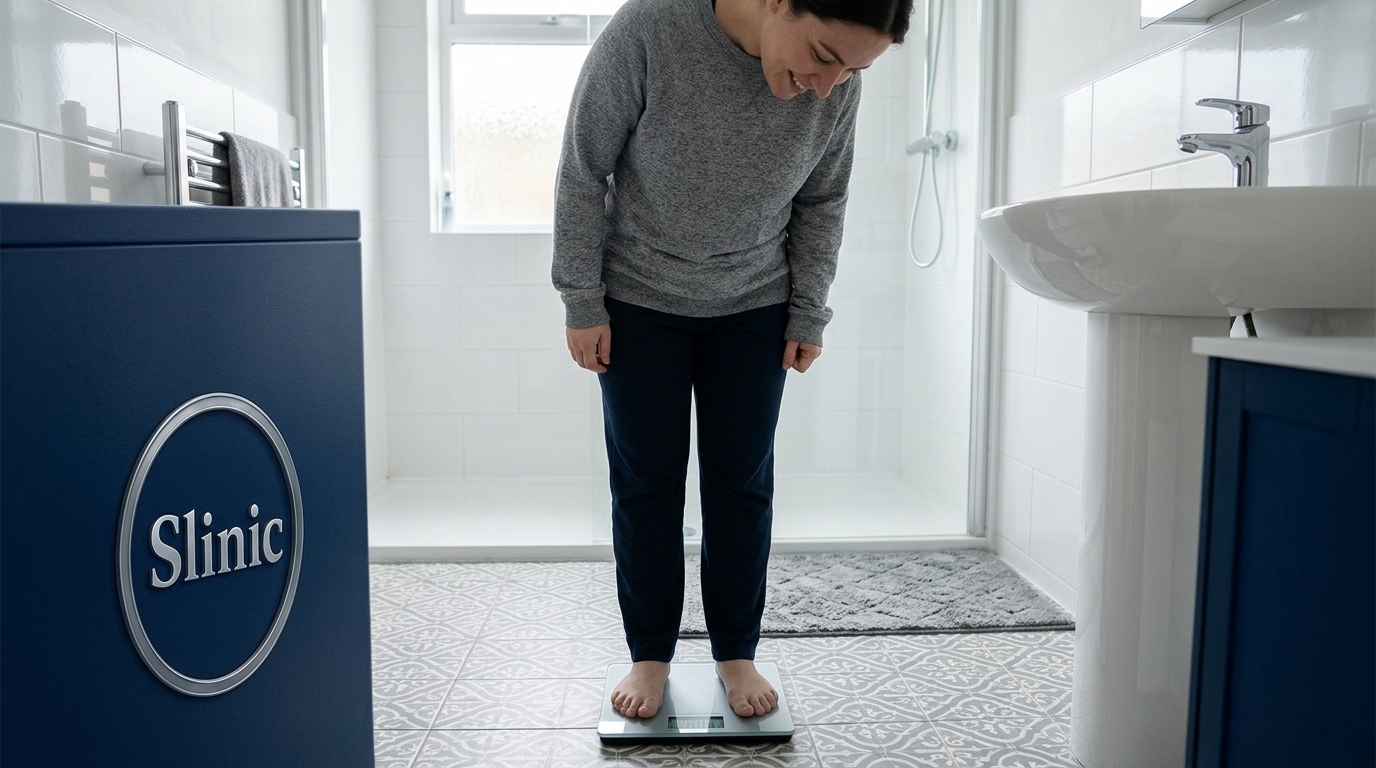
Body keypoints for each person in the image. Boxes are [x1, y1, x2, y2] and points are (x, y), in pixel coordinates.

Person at [552, 0, 912, 720]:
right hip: (638, 302)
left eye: (851, 70)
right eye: (822, 54)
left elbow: (823, 200)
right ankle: (649, 652)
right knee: (647, 482)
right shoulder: (650, 29)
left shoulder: (836, 87)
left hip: (755, 305)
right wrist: (582, 300)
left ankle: (735, 651)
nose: (827, 84)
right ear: (778, 2)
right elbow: (584, 168)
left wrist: (809, 309)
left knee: (740, 484)